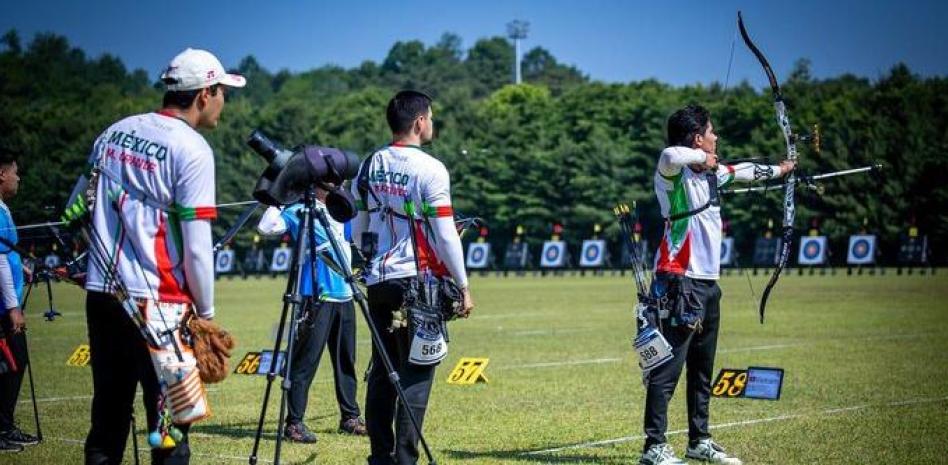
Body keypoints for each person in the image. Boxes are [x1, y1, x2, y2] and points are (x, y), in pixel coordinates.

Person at [82, 48, 244, 465]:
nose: (225, 100)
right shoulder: (191, 149)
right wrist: (205, 313)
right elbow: (196, 246)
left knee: (109, 416)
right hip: (161, 307)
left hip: (101, 295)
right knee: (170, 426)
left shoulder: (114, 131)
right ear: (205, 93)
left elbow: (76, 206)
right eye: (223, 91)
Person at [639, 104, 795, 465]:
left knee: (702, 366)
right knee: (667, 367)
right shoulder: (671, 174)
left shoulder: (712, 176)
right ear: (697, 138)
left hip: (708, 283)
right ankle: (654, 447)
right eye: (711, 132)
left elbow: (743, 172)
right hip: (679, 279)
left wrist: (783, 169)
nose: (716, 137)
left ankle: (699, 440)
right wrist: (703, 159)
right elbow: (669, 153)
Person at [350, 90, 474, 465]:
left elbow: (359, 227)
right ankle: (405, 460)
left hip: (379, 282)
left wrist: (371, 258)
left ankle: (380, 457)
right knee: (417, 371)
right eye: (431, 118)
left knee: (383, 369)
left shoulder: (369, 164)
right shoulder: (431, 168)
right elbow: (446, 232)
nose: (432, 124)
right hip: (418, 284)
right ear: (419, 122)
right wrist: (464, 285)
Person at [256, 187, 368, 444]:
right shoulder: (299, 211)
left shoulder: (341, 211)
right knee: (305, 362)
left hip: (345, 295)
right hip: (316, 296)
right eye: (330, 182)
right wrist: (280, 199)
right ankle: (294, 423)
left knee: (345, 361)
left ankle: (350, 417)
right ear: (316, 185)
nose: (337, 186)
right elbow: (266, 227)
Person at [0, 152, 38, 453]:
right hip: (3, 308)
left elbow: (7, 253)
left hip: (7, 303)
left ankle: (6, 426)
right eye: (15, 172)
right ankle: (2, 428)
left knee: (14, 363)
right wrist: (13, 307)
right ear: (2, 174)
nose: (18, 177)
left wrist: (21, 266)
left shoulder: (4, 209)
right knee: (11, 364)